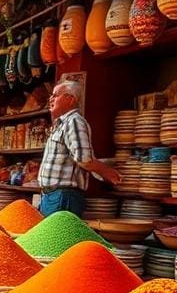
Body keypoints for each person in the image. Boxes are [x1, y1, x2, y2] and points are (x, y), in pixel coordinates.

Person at [38, 79, 121, 217]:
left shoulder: (74, 122)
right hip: (52, 196)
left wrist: (106, 171)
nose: (51, 99)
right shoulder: (61, 124)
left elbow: (85, 159)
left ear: (70, 99)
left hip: (63, 196)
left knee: (61, 237)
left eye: (55, 95)